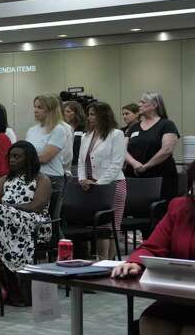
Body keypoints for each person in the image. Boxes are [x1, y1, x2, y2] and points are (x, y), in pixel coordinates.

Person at [111, 163, 195, 335]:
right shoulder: (180, 207)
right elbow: (152, 246)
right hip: (183, 297)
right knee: (151, 323)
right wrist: (135, 262)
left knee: (192, 334)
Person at [0, 141, 51, 306]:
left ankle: (3, 289)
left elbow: (36, 207)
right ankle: (4, 287)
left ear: (29, 159)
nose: (12, 160)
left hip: (35, 223)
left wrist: (10, 208)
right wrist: (7, 211)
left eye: (17, 157)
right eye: (10, 156)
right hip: (6, 224)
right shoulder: (4, 179)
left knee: (1, 216)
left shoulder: (41, 179)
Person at [76, 102, 127, 259]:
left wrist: (98, 184)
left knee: (110, 227)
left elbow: (117, 163)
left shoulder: (116, 134)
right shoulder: (86, 136)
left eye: (92, 114)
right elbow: (80, 161)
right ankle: (101, 261)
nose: (89, 117)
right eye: (89, 114)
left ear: (103, 116)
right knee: (99, 226)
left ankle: (108, 263)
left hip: (113, 185)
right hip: (91, 186)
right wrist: (82, 179)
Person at [124, 91, 180, 202]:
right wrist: (135, 164)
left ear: (154, 105)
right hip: (135, 176)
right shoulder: (134, 127)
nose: (139, 104)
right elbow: (121, 149)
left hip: (161, 177)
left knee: (159, 212)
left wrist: (145, 167)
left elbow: (167, 150)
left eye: (143, 102)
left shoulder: (167, 124)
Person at [24, 94, 71, 196]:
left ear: (50, 110)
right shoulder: (31, 130)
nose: (35, 110)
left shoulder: (59, 129)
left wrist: (24, 158)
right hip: (32, 176)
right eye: (35, 107)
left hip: (51, 178)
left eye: (40, 107)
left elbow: (45, 158)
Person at [63, 100, 87, 175]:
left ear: (76, 113)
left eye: (68, 111)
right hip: (64, 166)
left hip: (79, 166)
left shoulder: (84, 129)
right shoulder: (62, 129)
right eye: (63, 111)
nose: (64, 114)